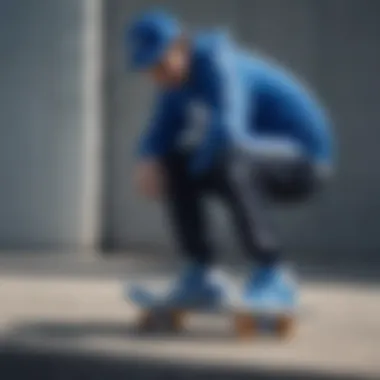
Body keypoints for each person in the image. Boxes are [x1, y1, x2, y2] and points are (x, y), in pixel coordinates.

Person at [125, 9, 334, 310]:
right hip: (254, 153)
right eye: (149, 69)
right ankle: (200, 276)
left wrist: (195, 169)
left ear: (181, 46)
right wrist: (148, 159)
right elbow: (161, 129)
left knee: (229, 157)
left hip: (305, 159)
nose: (158, 74)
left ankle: (273, 276)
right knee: (174, 163)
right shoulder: (174, 82)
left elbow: (229, 127)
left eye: (160, 63)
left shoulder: (219, 64)